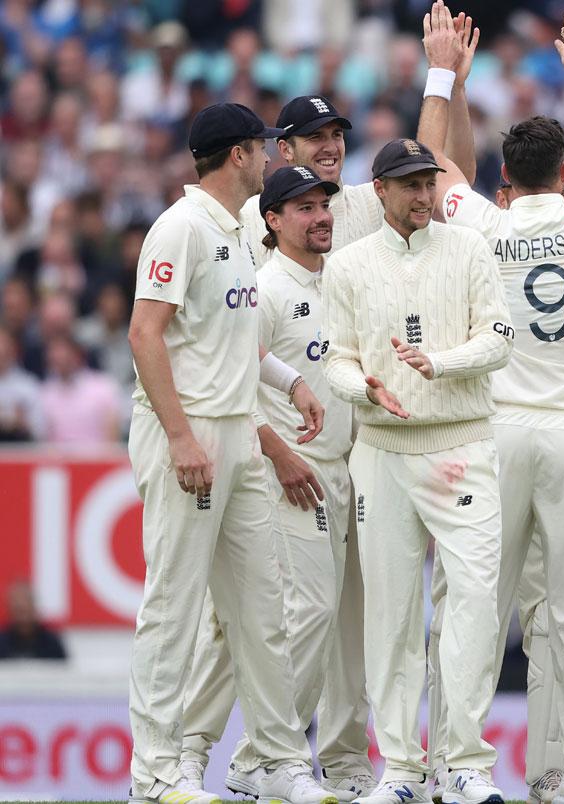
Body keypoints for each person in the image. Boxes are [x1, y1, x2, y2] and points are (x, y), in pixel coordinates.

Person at [416, 6, 564, 803]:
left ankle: (453, 771)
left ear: (506, 181)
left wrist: (447, 73)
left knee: (476, 604)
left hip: (498, 431)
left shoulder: (482, 227)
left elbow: (429, 159)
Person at [126, 102, 334, 804]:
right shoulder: (180, 227)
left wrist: (291, 380)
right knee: (174, 607)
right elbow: (144, 335)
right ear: (239, 154)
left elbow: (235, 339)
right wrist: (182, 435)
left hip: (240, 430)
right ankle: (153, 775)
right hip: (190, 436)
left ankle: (276, 761)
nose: (272, 158)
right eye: (264, 148)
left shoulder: (238, 234)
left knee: (260, 606)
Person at [323, 135, 514, 804]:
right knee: (392, 613)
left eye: (429, 182)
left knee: (473, 602)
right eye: (410, 185)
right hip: (381, 449)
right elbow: (337, 358)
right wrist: (362, 389)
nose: (424, 195)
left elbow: (499, 337)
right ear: (379, 191)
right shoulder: (347, 266)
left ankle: (463, 762)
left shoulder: (469, 247)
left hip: (462, 444)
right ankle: (402, 769)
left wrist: (443, 362)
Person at [176, 166, 357, 800]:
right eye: (302, 208)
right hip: (281, 474)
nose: (320, 216)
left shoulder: (343, 279)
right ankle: (248, 756)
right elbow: (233, 386)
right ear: (271, 221)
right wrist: (277, 453)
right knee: (289, 616)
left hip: (336, 470)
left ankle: (251, 756)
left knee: (295, 619)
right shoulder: (264, 287)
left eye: (323, 205)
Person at [240, 94, 384, 268]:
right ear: (286, 149)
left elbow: (424, 177)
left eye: (337, 135)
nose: (331, 148)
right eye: (316, 137)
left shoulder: (373, 200)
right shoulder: (249, 214)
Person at [0, 581, 67, 660]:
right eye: (18, 609)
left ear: (34, 607)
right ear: (10, 610)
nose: (22, 617)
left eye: (25, 609)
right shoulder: (2, 643)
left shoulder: (51, 643)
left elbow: (64, 670)